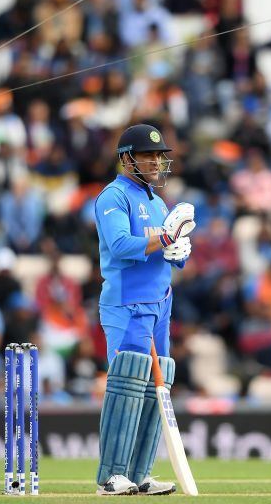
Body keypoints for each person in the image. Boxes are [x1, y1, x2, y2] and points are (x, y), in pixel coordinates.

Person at [93, 124, 195, 496]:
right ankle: (111, 476)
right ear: (126, 158)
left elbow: (165, 249)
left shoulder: (156, 201)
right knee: (127, 384)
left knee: (157, 386)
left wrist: (178, 252)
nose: (157, 161)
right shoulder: (113, 196)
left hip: (161, 301)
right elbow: (121, 245)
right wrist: (166, 238)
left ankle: (141, 472)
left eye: (159, 155)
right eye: (148, 154)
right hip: (127, 301)